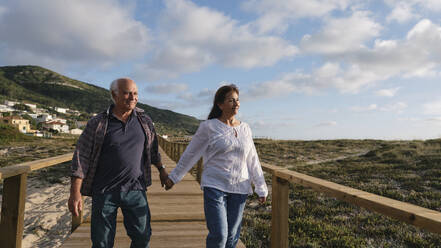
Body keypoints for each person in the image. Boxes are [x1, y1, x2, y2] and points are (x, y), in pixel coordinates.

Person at [164, 84, 268, 248]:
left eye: (237, 100)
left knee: (232, 237)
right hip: (215, 186)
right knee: (220, 235)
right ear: (220, 104)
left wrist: (261, 187)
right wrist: (174, 177)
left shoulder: (245, 128)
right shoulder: (209, 127)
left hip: (240, 188)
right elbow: (191, 154)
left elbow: (252, 158)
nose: (236, 103)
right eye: (231, 100)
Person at [68, 78, 167, 248]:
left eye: (135, 93)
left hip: (136, 189)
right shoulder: (98, 123)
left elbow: (153, 150)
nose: (132, 97)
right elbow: (81, 157)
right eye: (127, 93)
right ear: (114, 94)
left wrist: (162, 170)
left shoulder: (145, 121)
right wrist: (75, 192)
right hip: (104, 191)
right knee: (102, 242)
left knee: (143, 237)